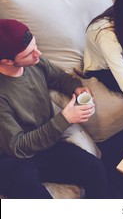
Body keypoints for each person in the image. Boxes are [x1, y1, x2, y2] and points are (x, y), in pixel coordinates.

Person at [0, 19, 110, 199]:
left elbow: (59, 78)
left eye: (36, 46)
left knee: (95, 168)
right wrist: (64, 119)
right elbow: (17, 147)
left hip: (45, 143)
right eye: (28, 54)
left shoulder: (37, 62)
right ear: (6, 61)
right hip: (12, 157)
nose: (38, 53)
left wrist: (76, 88)